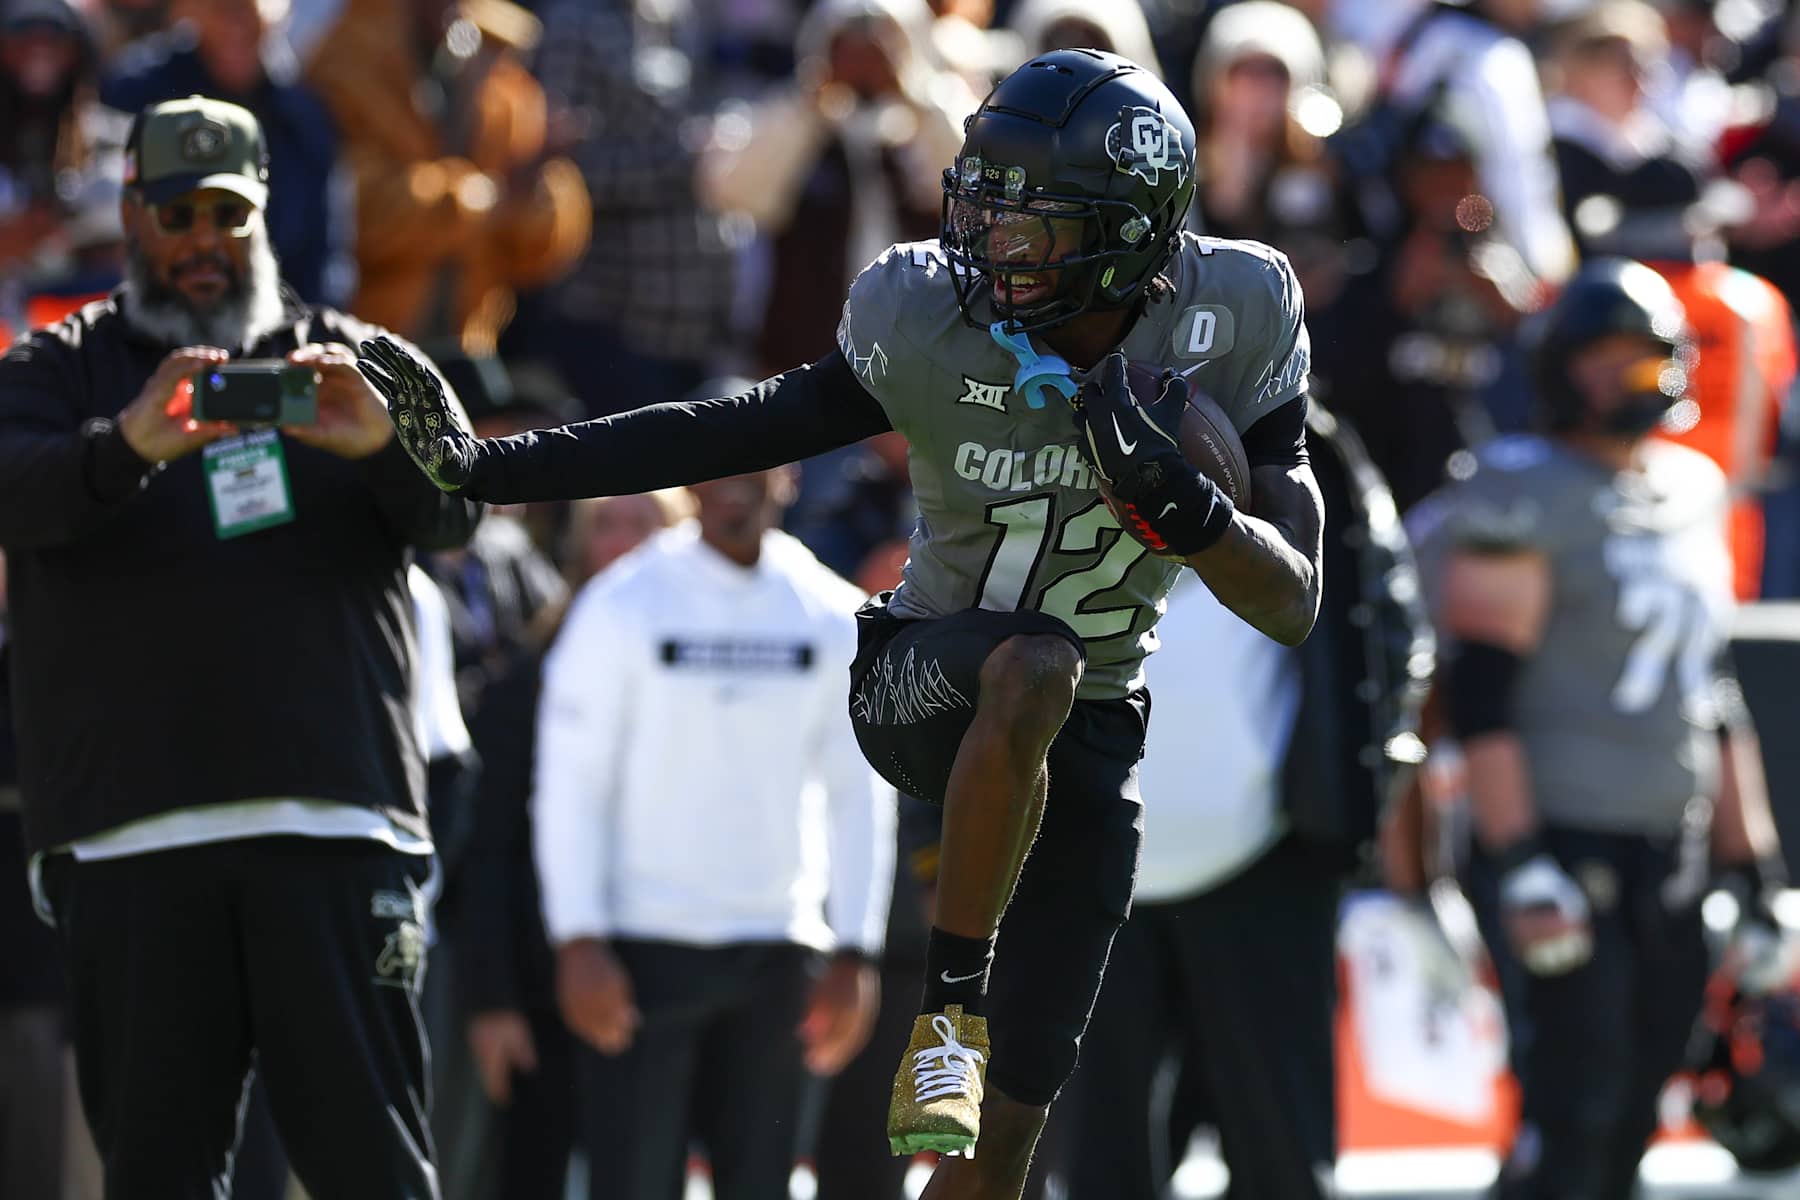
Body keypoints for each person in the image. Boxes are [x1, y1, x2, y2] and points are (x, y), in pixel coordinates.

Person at [358, 46, 1324, 1196]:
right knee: (1031, 659)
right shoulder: (924, 309)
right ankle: (947, 1019)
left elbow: (1292, 599)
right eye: (988, 207)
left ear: (1128, 229)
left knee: (1002, 1150)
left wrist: (1193, 515)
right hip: (920, 680)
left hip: (1095, 728)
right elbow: (725, 430)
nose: (994, 243)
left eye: (1036, 221)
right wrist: (485, 466)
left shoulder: (1240, 308)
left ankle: (976, 1072)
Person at [0, 95, 482, 1197]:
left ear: (266, 210)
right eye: (177, 213)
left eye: (227, 211)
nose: (203, 241)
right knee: (158, 1177)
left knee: (374, 1172)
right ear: (131, 212)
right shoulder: (56, 368)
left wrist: (385, 451)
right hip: (130, 843)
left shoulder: (363, 363)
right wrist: (125, 445)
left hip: (336, 826)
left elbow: (464, 509)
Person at [1407, 258, 1789, 1200]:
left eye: (1646, 356)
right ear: (1559, 366)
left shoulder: (1693, 488)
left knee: (1638, 1104)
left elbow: (1714, 688)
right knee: (1573, 1105)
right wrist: (1523, 855)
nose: (1629, 377)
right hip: (1561, 836)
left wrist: (1761, 870)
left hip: (1674, 840)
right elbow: (1482, 692)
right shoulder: (1521, 488)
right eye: (1607, 357)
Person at [536, 467, 892, 1199]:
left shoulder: (832, 612)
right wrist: (577, 937)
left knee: (763, 1185)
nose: (734, 486)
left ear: (788, 478)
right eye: (716, 469)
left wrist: (857, 947)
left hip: (780, 954)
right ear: (689, 486)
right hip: (640, 954)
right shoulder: (622, 603)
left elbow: (859, 794)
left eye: (754, 466)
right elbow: (571, 784)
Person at [452, 488, 693, 1200]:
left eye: (642, 523)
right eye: (605, 524)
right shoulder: (528, 678)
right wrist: (492, 1000)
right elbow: (489, 847)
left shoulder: (724, 666)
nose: (621, 542)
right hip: (541, 990)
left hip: (688, 983)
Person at [101, 0, 352, 306]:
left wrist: (306, 332)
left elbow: (323, 251)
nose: (234, 21)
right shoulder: (137, 90)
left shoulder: (301, 115)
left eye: (247, 7)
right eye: (220, 6)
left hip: (271, 313)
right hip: (155, 308)